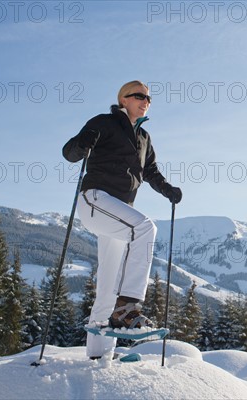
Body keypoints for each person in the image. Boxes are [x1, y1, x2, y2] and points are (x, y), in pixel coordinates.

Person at [62, 80, 182, 359]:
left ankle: (99, 353)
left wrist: (168, 190)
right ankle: (128, 308)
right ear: (123, 99)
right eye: (139, 96)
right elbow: (70, 154)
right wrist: (82, 143)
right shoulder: (104, 122)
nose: (145, 101)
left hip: (118, 212)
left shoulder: (144, 138)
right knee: (145, 227)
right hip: (96, 200)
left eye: (149, 98)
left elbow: (151, 172)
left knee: (109, 281)